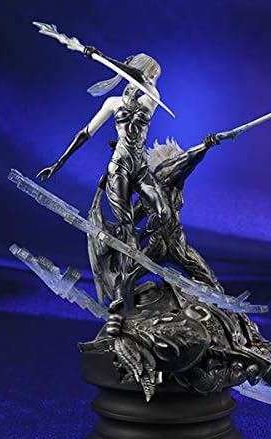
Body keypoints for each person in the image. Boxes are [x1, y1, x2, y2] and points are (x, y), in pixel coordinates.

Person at [37, 51, 171, 307]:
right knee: (127, 226)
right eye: (152, 74)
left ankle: (139, 262)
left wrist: (108, 60)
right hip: (119, 167)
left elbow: (141, 79)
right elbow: (85, 133)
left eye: (155, 77)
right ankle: (123, 288)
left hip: (140, 167)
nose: (153, 80)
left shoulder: (151, 98)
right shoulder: (112, 103)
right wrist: (59, 163)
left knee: (162, 212)